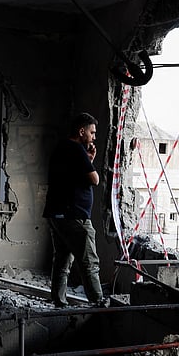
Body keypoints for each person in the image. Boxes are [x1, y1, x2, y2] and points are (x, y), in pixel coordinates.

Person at [44, 112, 107, 307]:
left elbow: (74, 176)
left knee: (62, 260)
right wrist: (88, 160)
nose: (94, 137)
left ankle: (59, 300)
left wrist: (88, 159)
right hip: (74, 215)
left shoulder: (62, 148)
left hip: (56, 214)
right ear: (82, 131)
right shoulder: (76, 149)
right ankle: (98, 302)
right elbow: (94, 179)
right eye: (92, 132)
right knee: (89, 261)